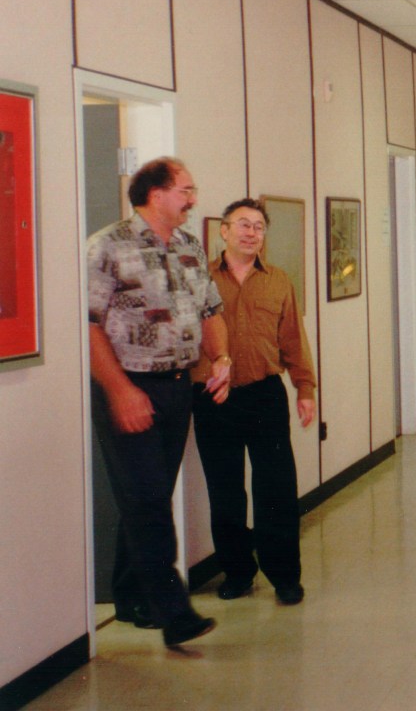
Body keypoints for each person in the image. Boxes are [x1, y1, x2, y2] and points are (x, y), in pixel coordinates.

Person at [87, 156, 231, 647]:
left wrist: (221, 358)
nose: (193, 199)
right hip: (129, 385)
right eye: (185, 190)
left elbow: (210, 310)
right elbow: (86, 324)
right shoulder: (108, 245)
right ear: (156, 194)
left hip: (177, 386)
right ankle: (174, 612)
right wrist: (120, 390)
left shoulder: (190, 245)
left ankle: (130, 595)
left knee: (148, 493)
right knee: (148, 498)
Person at [191, 198, 316, 607]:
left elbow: (293, 339)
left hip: (265, 394)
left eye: (259, 226)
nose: (251, 233)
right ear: (224, 230)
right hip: (215, 397)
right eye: (243, 224)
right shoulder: (201, 280)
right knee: (225, 489)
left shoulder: (278, 280)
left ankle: (285, 576)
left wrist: (305, 388)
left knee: (276, 488)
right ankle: (238, 571)